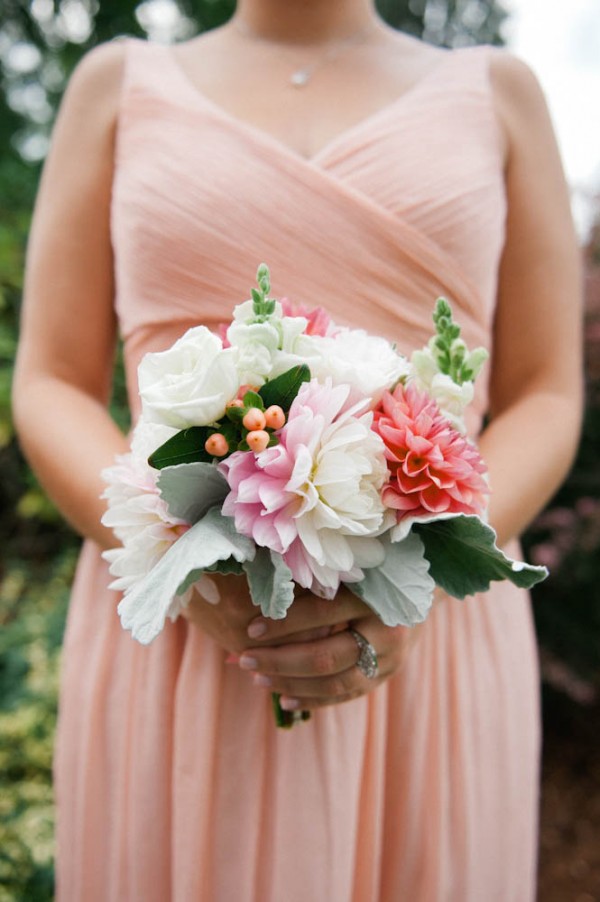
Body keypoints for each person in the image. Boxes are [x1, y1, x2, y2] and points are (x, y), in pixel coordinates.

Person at [12, 0, 582, 899]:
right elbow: (48, 378)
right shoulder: (116, 89)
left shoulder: (499, 94)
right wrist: (179, 566)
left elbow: (547, 389)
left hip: (427, 638)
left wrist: (413, 586)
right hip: (183, 631)